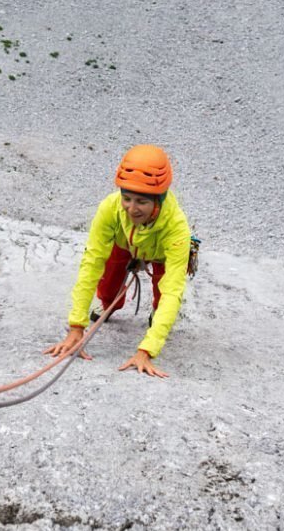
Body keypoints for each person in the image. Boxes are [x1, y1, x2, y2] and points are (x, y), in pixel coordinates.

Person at [45, 144, 192, 379]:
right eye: (127, 198)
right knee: (107, 288)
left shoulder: (176, 227)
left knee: (162, 298)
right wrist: (76, 326)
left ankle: (156, 319)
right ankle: (109, 304)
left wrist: (147, 350)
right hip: (123, 244)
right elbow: (92, 262)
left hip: (161, 254)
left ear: (159, 200)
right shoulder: (110, 208)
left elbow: (173, 289)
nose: (132, 209)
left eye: (141, 202)